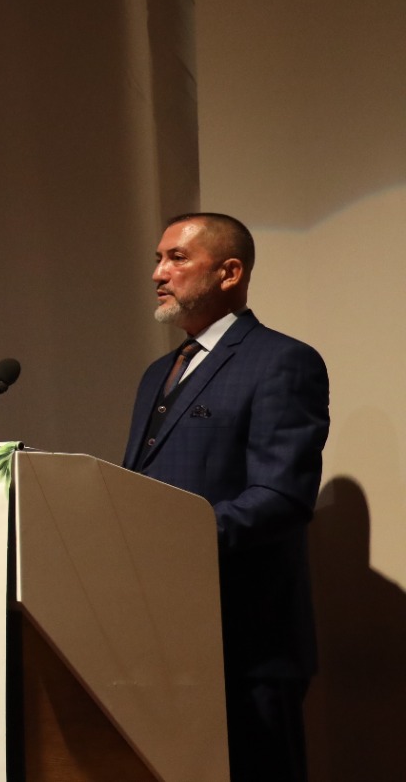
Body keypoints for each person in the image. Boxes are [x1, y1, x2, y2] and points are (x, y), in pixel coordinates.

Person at [123, 212, 327, 782]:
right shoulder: (157, 373)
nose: (159, 273)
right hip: (164, 638)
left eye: (177, 258)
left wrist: (169, 539)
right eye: (158, 259)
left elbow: (281, 496)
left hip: (248, 643)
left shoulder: (282, 360)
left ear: (229, 272)